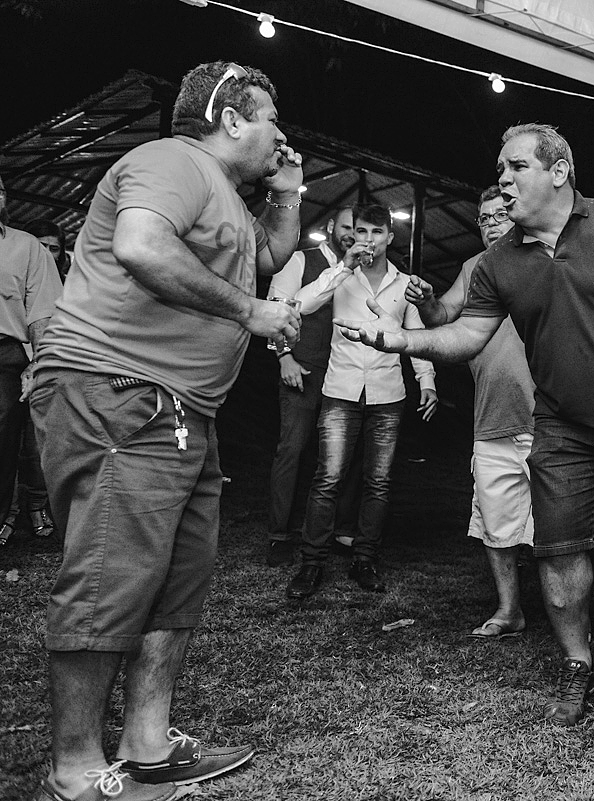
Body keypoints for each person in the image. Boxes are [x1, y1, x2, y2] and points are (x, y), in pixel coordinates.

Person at [335, 123, 594, 726]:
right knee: (559, 551)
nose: (503, 182)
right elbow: (464, 334)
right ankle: (577, 665)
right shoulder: (497, 263)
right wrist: (402, 338)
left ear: (558, 171)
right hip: (561, 427)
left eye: (516, 169)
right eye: (501, 170)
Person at [27, 60, 303, 801]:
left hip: (183, 409)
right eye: (272, 117)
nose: (282, 133)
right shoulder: (168, 160)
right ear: (232, 118)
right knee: (111, 575)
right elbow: (143, 248)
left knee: (177, 581)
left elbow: (266, 258)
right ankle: (77, 770)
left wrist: (288, 194)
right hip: (121, 389)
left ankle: (147, 743)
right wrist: (251, 313)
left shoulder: (228, 202)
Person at [285, 203, 437, 598]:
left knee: (379, 482)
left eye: (376, 232)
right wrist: (342, 268)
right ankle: (311, 564)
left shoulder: (404, 283)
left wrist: (428, 381)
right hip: (341, 390)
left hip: (388, 394)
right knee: (327, 478)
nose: (367, 239)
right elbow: (302, 303)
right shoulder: (341, 276)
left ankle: (364, 559)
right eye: (361, 231)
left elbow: (415, 336)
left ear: (390, 237)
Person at [403, 185, 534, 638]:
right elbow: (443, 318)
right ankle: (509, 609)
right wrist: (424, 302)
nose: (491, 222)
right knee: (497, 521)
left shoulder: (547, 259)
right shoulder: (472, 268)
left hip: (551, 415)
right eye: (483, 217)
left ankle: (568, 609)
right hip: (493, 414)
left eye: (500, 213)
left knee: (561, 524)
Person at [264, 206, 362, 566]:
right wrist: (283, 357)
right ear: (332, 227)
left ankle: (332, 530)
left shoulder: (362, 267)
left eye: (360, 229)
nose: (353, 234)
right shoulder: (299, 259)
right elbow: (276, 308)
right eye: (348, 227)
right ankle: (279, 534)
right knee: (292, 450)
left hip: (343, 373)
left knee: (338, 456)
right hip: (302, 368)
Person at [0, 178, 62, 548]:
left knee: (3, 443)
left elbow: (42, 314)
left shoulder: (25, 247)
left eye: (1, 190)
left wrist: (37, 364)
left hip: (5, 355)